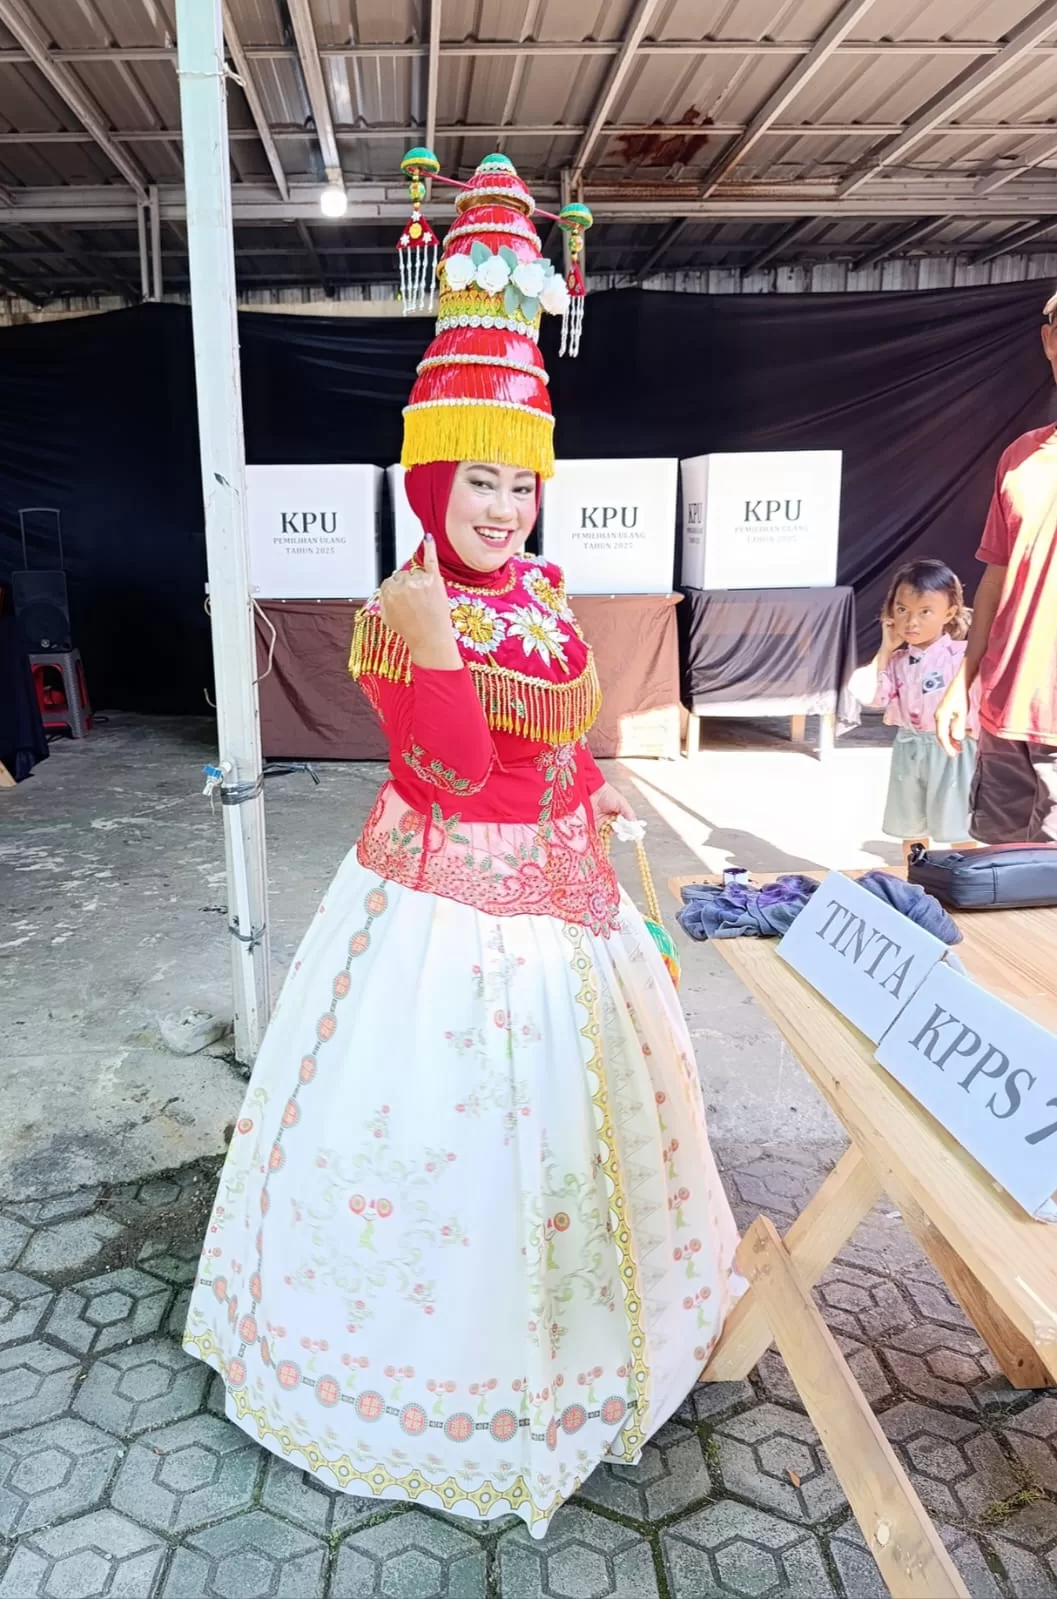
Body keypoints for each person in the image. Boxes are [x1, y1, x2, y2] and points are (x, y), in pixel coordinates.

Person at [184, 153, 741, 1538]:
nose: (502, 507)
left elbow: (553, 736)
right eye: (478, 481)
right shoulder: (401, 606)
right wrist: (437, 652)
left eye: (520, 483)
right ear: (432, 480)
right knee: (452, 1159)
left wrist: (586, 792)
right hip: (447, 922)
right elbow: (450, 772)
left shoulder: (540, 587)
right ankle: (435, 1381)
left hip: (570, 897)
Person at [936, 289, 1057, 839]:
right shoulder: (1019, 458)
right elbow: (996, 578)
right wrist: (962, 682)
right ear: (1049, 340)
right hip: (1006, 712)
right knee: (1001, 869)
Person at [850, 558, 977, 865]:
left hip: (953, 751)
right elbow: (869, 695)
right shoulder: (895, 662)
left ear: (949, 613)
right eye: (902, 610)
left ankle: (968, 880)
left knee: (958, 825)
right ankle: (916, 878)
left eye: (925, 612)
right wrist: (885, 650)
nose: (911, 622)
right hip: (908, 750)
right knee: (911, 826)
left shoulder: (962, 656)